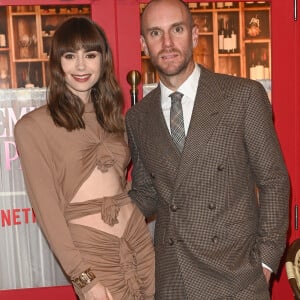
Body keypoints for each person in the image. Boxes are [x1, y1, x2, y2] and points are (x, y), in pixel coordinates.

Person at [125, 0, 290, 299]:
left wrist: (266, 260)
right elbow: (148, 192)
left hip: (236, 275)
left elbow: (274, 180)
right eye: (155, 33)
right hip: (173, 277)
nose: (167, 43)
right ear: (143, 44)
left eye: (176, 29)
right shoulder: (138, 117)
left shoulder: (242, 96)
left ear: (195, 35)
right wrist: (99, 208)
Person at [14, 17, 154, 300]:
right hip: (92, 252)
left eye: (90, 55)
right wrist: (84, 279)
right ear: (57, 63)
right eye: (70, 56)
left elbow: (121, 184)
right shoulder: (33, 127)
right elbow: (48, 213)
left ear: (103, 61)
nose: (81, 66)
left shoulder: (115, 119)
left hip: (138, 239)